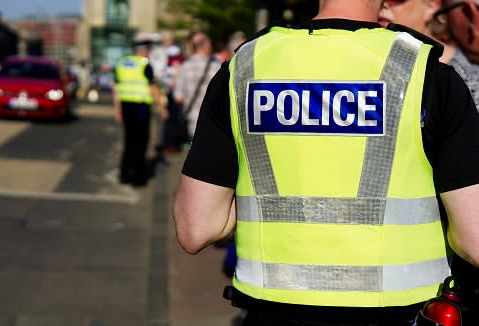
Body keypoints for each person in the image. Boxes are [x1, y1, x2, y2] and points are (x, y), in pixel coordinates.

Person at [172, 0, 479, 325]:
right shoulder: (426, 73)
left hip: (271, 314)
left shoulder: (244, 66)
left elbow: (196, 228)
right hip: (400, 315)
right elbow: (474, 239)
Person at [380, 1, 479, 321]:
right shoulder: (370, 75)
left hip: (452, 281)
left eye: (395, 0)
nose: (382, 8)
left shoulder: (452, 78)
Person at [112, 39, 166, 187]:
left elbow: (116, 88)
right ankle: (138, 177)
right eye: (147, 50)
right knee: (141, 142)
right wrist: (162, 105)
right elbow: (152, 87)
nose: (148, 53)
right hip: (141, 107)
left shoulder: (122, 63)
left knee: (129, 140)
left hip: (126, 106)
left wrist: (117, 110)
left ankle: (125, 174)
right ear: (142, 50)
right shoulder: (144, 64)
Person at [173, 32, 220, 141]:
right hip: (214, 118)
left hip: (193, 119)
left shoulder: (185, 67)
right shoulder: (217, 67)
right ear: (206, 46)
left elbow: (178, 97)